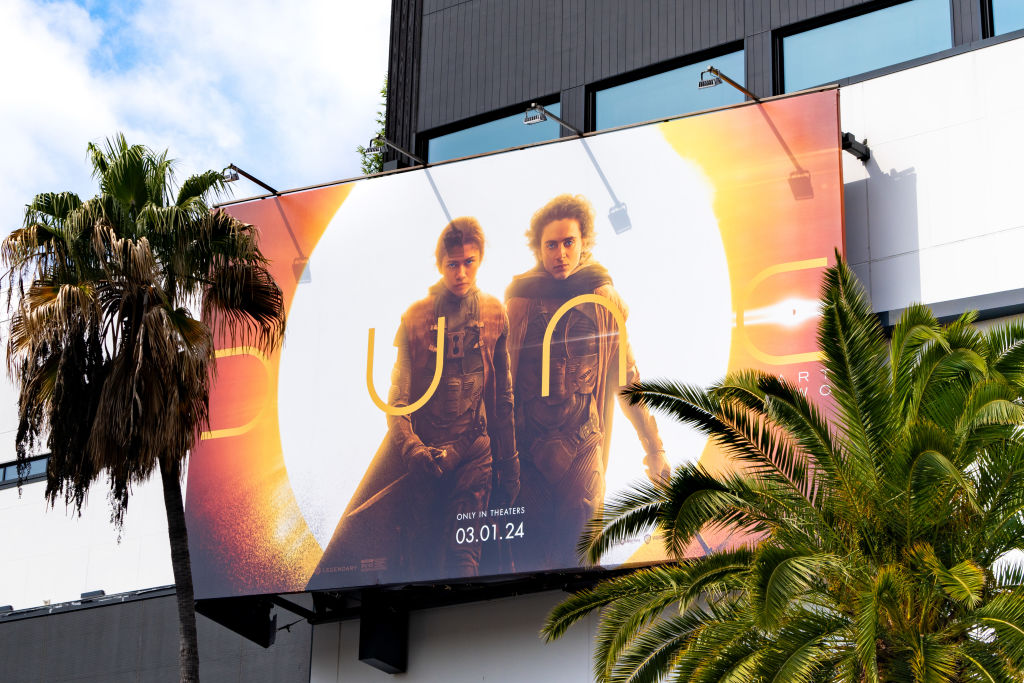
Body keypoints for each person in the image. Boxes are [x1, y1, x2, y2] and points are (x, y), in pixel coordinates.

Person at [308, 217, 518, 589]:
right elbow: (398, 401)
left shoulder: (493, 313)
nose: (461, 272)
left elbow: (503, 398)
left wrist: (510, 462)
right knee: (420, 562)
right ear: (440, 264)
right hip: (425, 460)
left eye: (469, 262)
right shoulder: (415, 318)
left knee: (465, 557)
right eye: (453, 263)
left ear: (480, 261)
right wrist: (414, 450)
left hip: (474, 454)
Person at [505, 194, 670, 571]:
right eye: (551, 244)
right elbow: (499, 384)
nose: (560, 253)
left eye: (568, 242)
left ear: (583, 243)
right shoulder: (520, 299)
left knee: (580, 560)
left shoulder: (602, 299)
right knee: (520, 566)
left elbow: (627, 381)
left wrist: (653, 447)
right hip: (527, 450)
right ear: (539, 248)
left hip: (582, 441)